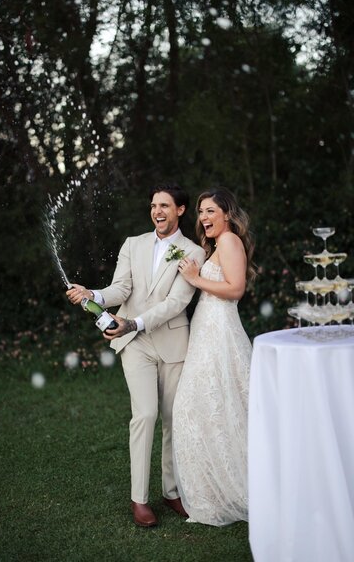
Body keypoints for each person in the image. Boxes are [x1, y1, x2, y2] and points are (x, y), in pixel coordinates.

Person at [67, 184, 206, 527]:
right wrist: (94, 292)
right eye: (154, 205)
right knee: (145, 415)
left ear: (181, 210)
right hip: (136, 345)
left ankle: (172, 492)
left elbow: (177, 303)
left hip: (173, 344)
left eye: (165, 206)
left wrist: (133, 322)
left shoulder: (194, 252)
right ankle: (140, 500)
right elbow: (122, 288)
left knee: (173, 419)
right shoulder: (133, 244)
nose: (157, 211)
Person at [172, 186, 256, 527]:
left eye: (210, 211)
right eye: (201, 212)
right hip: (206, 330)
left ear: (227, 214)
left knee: (207, 406)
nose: (204, 218)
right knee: (207, 407)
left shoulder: (230, 241)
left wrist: (196, 278)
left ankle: (233, 488)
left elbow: (235, 289)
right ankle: (212, 489)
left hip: (220, 332)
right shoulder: (216, 245)